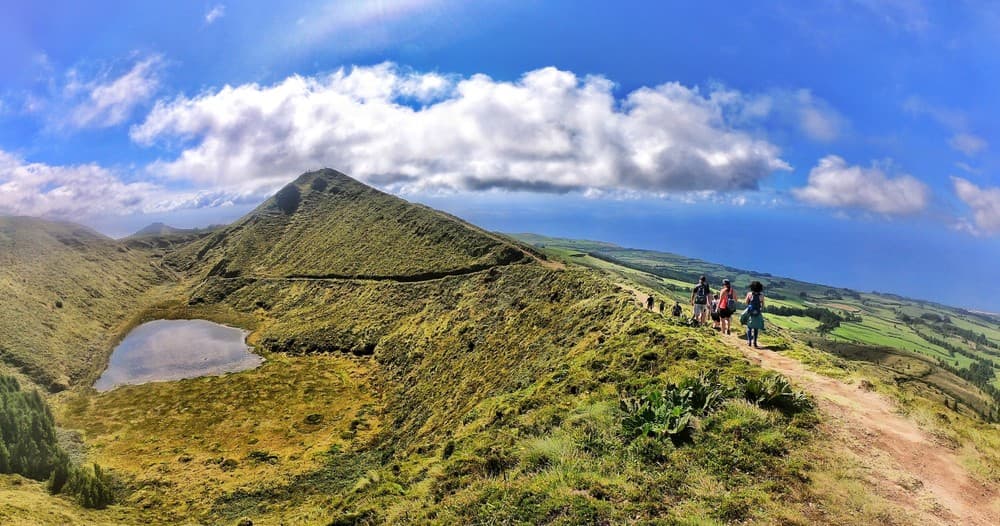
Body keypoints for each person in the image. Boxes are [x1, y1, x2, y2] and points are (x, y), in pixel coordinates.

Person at [742, 281, 765, 347]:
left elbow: (746, 303)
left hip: (750, 312)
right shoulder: (762, 295)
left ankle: (749, 341)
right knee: (756, 328)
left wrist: (749, 306)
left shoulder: (749, 294)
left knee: (749, 327)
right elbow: (763, 305)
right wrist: (760, 310)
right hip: (758, 312)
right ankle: (755, 342)